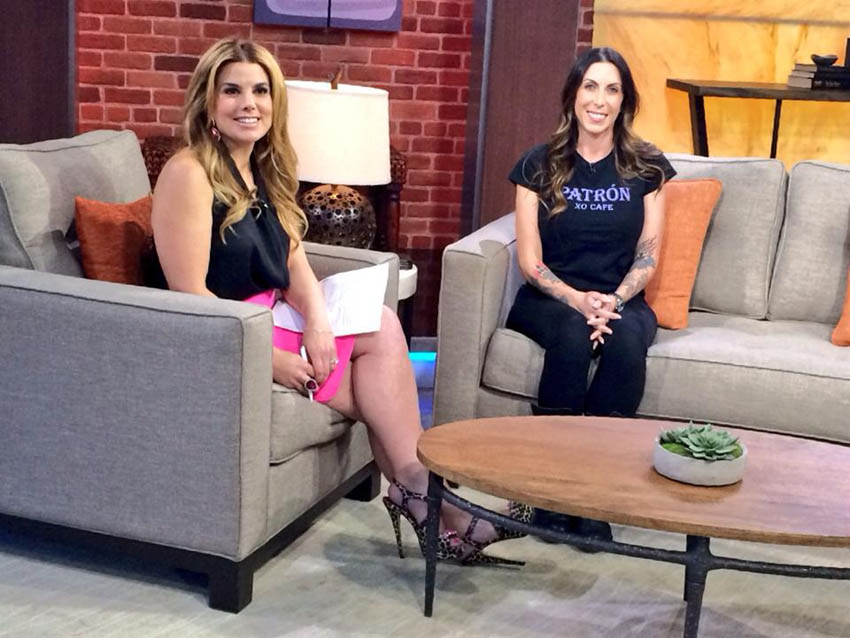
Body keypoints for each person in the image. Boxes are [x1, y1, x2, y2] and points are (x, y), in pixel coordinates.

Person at [144, 38, 528, 564]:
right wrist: (270, 359)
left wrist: (319, 321)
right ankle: (428, 499)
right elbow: (190, 296)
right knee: (380, 354)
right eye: (231, 91)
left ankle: (422, 497)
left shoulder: (261, 168)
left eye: (260, 91)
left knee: (382, 324)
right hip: (228, 331)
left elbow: (293, 259)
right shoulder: (189, 172)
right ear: (208, 101)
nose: (248, 103)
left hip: (270, 315)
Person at [505, 47, 676, 542]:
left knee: (626, 344)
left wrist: (613, 301)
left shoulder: (648, 167)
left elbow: (648, 256)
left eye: (612, 89)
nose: (599, 100)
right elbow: (530, 262)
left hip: (622, 299)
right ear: (573, 95)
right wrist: (578, 300)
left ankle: (595, 496)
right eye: (590, 87)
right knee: (572, 337)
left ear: (624, 101)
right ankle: (552, 494)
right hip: (551, 299)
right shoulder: (537, 164)